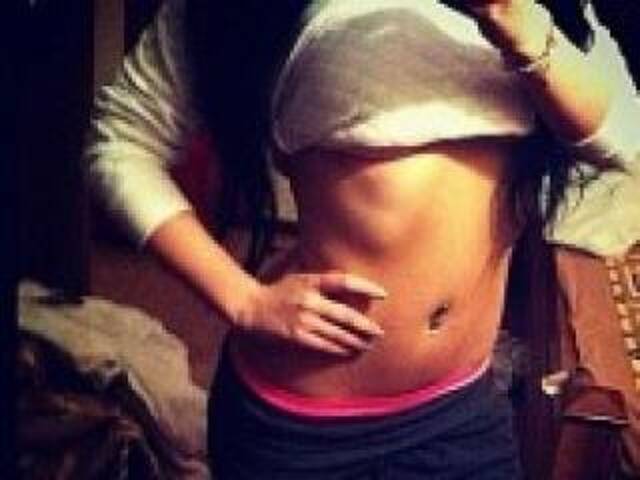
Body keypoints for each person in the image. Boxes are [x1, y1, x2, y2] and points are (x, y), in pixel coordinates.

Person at [87, 0, 640, 478]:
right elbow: (120, 141)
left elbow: (625, 137)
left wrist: (515, 19)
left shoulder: (540, 10)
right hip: (305, 430)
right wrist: (244, 299)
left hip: (463, 410)